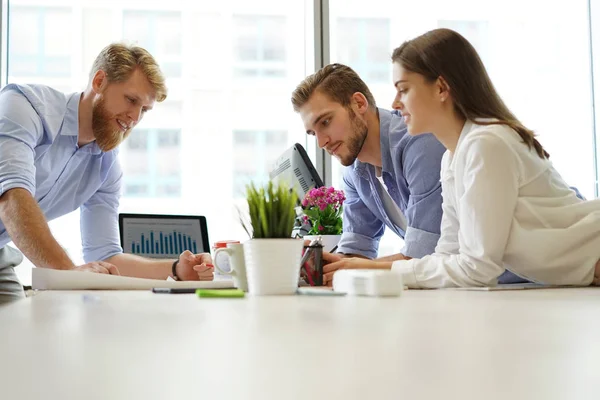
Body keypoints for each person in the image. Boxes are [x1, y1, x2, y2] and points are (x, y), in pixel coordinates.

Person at [321, 28, 600, 288]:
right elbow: (447, 254)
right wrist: (365, 268)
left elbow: (478, 268)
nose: (394, 103)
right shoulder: (454, 157)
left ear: (441, 88)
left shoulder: (486, 144)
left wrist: (372, 269)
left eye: (404, 89)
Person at [0, 43, 213, 301]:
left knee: (22, 330)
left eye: (144, 110)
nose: (134, 118)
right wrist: (70, 273)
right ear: (99, 81)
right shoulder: (24, 108)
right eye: (131, 100)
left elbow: (105, 255)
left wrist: (175, 270)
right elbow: (12, 199)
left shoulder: (106, 165)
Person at [291, 63, 447, 265]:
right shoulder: (355, 172)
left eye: (325, 122)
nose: (322, 143)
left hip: (488, 287)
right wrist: (322, 265)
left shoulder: (419, 142)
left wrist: (351, 267)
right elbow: (356, 252)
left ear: (359, 103)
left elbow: (426, 254)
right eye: (313, 133)